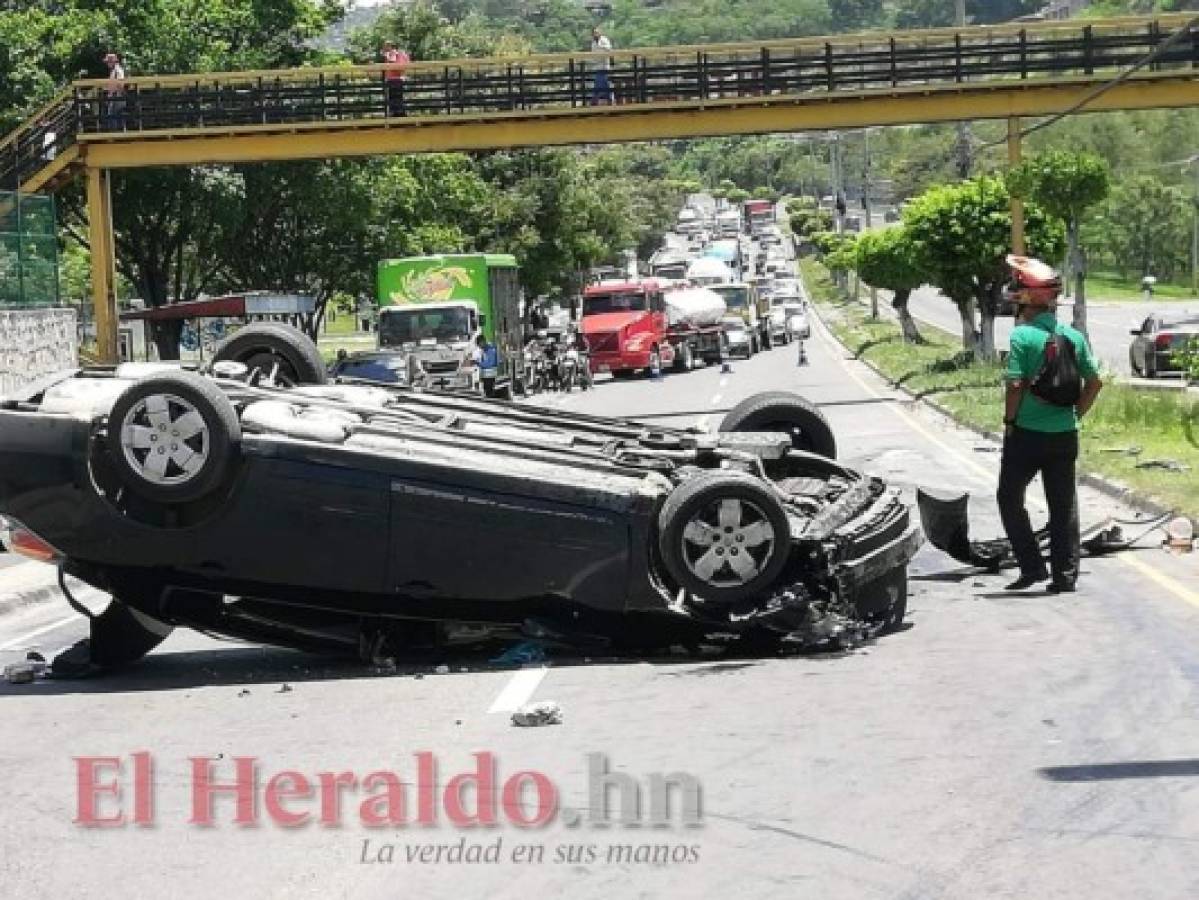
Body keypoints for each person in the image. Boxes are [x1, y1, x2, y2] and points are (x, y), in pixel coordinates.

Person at [997, 255, 1104, 594]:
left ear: (1026, 298)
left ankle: (1031, 567)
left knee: (1009, 498)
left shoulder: (1022, 336)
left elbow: (1015, 385)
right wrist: (1076, 415)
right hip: (1064, 436)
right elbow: (1095, 382)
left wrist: (1010, 421)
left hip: (1026, 435)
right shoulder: (1073, 335)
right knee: (1063, 506)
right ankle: (1065, 576)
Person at [381, 41, 410, 117]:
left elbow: (393, 61)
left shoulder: (392, 53)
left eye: (385, 46)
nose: (384, 48)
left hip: (394, 79)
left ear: (390, 46)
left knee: (394, 98)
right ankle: (400, 114)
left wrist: (387, 56)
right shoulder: (400, 53)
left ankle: (397, 115)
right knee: (398, 98)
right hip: (397, 79)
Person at [102, 52, 126, 130]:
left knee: (113, 117)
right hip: (115, 96)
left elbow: (120, 83)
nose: (107, 64)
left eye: (108, 62)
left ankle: (116, 134)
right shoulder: (114, 71)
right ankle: (118, 134)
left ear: (112, 62)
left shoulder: (117, 70)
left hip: (117, 96)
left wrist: (113, 93)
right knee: (116, 117)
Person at [590, 27, 613, 106]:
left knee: (605, 81)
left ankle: (609, 99)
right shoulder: (593, 43)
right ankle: (597, 99)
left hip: (604, 65)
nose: (596, 34)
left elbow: (609, 48)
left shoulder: (604, 40)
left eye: (597, 32)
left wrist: (601, 47)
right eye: (594, 33)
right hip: (597, 65)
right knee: (598, 82)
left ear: (600, 33)